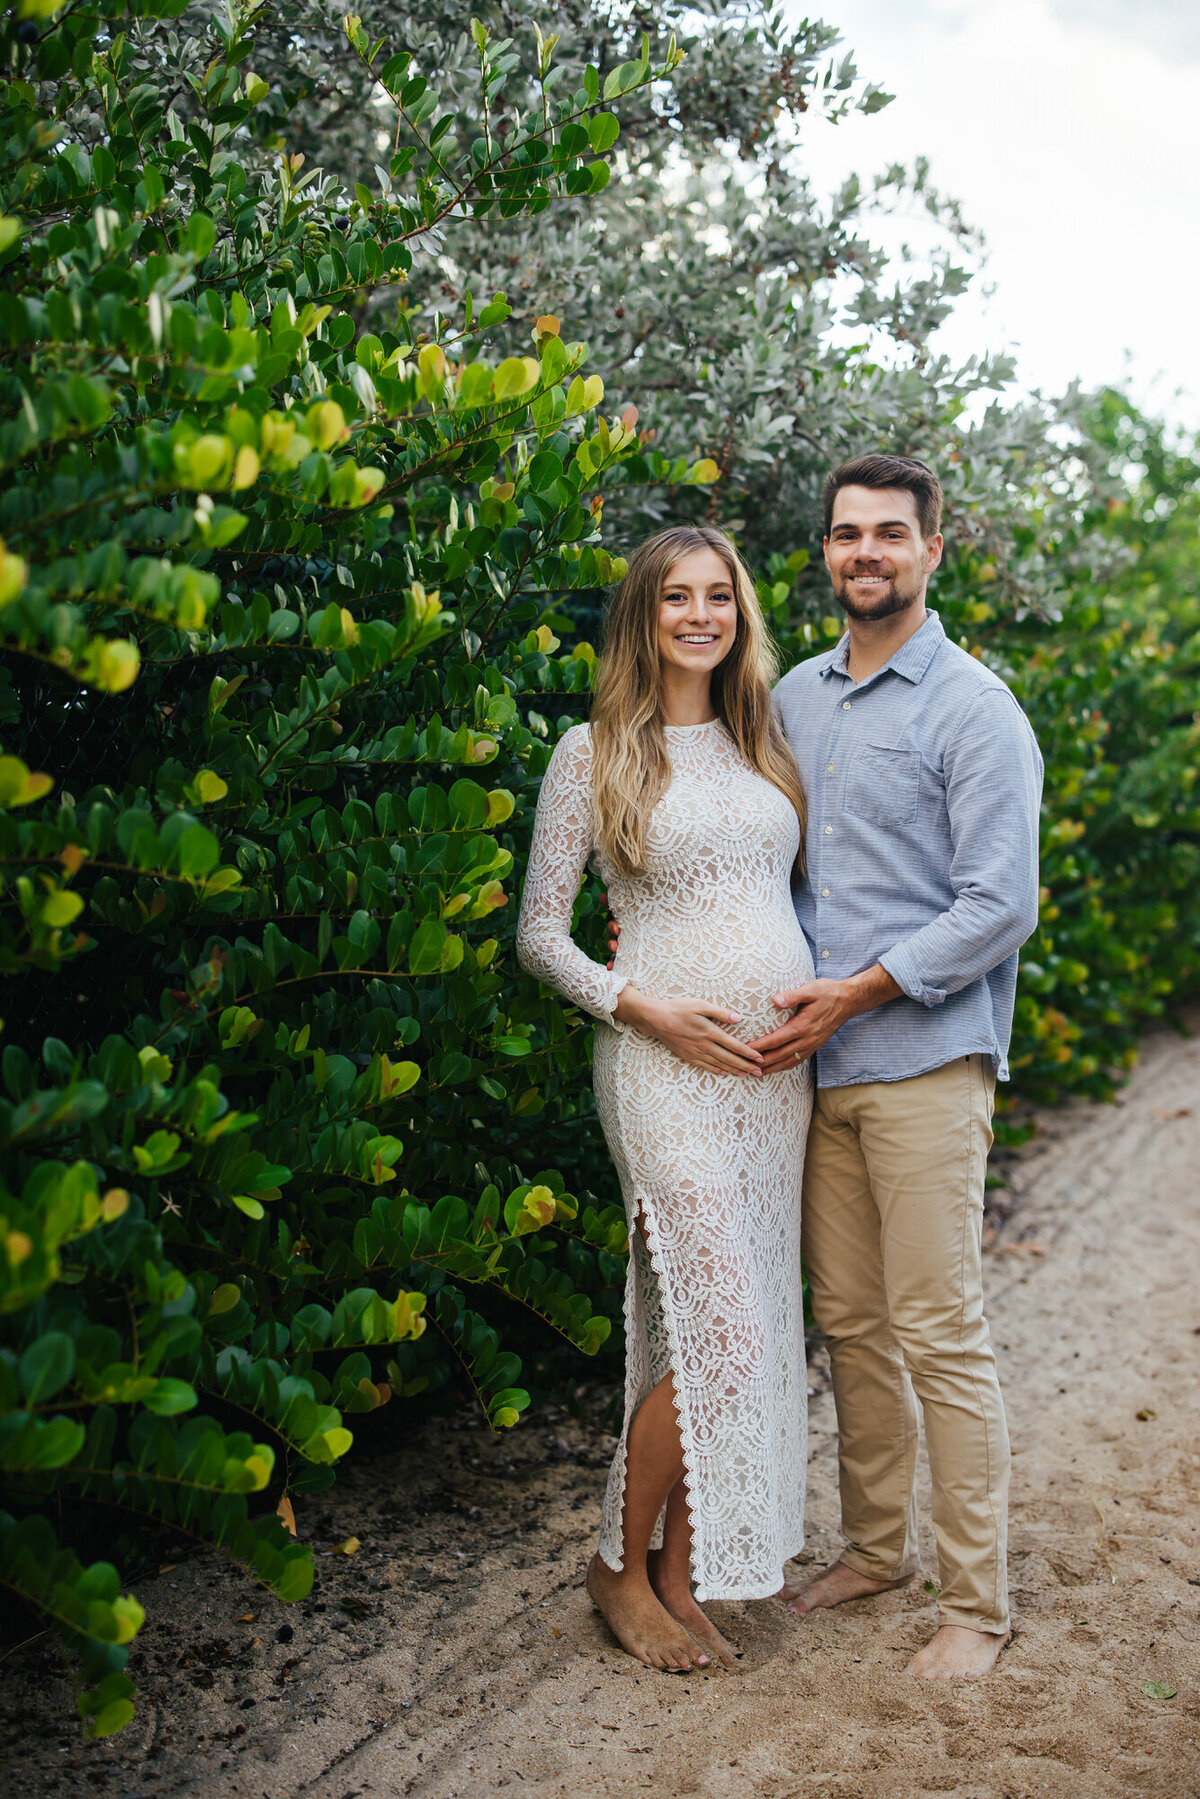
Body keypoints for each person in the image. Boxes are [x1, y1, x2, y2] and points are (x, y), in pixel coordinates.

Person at [750, 453, 1044, 1679]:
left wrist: (863, 988)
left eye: (888, 534)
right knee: (856, 1326)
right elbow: (759, 849)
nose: (863, 552)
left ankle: (976, 1602)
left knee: (940, 1330)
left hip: (923, 1057)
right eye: (843, 535)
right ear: (824, 553)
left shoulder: (976, 708)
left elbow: (1001, 904)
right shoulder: (796, 698)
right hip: (819, 1074)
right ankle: (877, 1548)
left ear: (933, 550)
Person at [516, 525, 814, 1675]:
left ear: (740, 610)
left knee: (722, 1326)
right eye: (676, 597)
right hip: (661, 1072)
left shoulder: (763, 739)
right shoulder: (587, 753)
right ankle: (613, 1560)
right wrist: (646, 1006)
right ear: (642, 617)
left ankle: (685, 1575)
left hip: (772, 1083)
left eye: (719, 594)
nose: (701, 614)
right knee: (722, 1330)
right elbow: (541, 936)